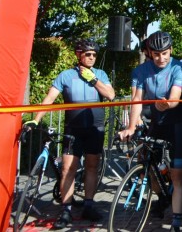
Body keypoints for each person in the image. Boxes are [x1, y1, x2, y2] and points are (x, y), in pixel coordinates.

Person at [23, 39, 115, 229]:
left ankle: (88, 204)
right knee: (67, 169)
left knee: (92, 166)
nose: (91, 58)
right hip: (73, 128)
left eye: (94, 55)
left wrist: (94, 80)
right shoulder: (65, 75)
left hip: (95, 127)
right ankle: (66, 209)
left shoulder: (100, 74)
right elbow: (49, 98)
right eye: (88, 54)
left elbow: (111, 95)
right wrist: (37, 119)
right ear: (78, 55)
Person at [118, 31, 182, 231]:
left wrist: (166, 104)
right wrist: (131, 127)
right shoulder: (141, 71)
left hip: (176, 121)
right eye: (156, 54)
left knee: (177, 174)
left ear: (171, 51)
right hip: (156, 122)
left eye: (165, 53)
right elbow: (137, 101)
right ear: (149, 52)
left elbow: (175, 96)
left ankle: (175, 220)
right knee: (148, 166)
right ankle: (161, 196)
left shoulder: (179, 67)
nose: (161, 58)